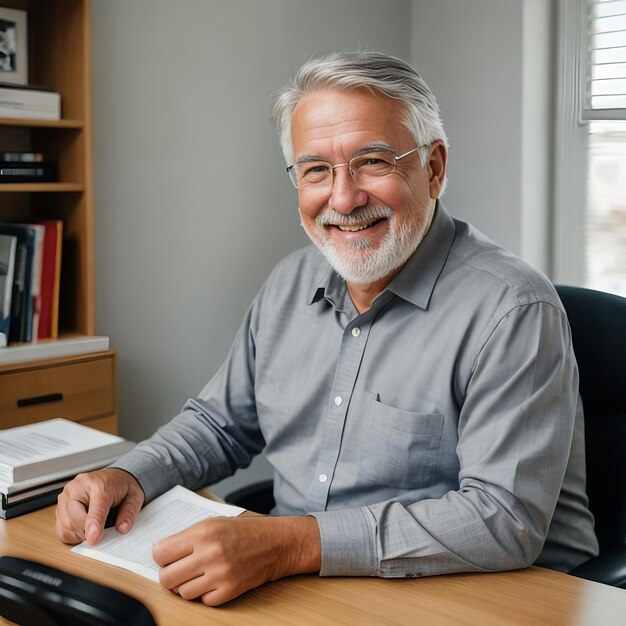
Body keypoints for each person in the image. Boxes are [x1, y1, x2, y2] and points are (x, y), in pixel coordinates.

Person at [56, 52, 599, 606]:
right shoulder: (290, 282)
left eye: (373, 162)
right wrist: (130, 476)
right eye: (316, 169)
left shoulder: (513, 308)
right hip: (306, 588)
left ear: (433, 168)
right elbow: (219, 425)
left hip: (493, 597)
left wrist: (290, 544)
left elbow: (502, 520)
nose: (343, 199)